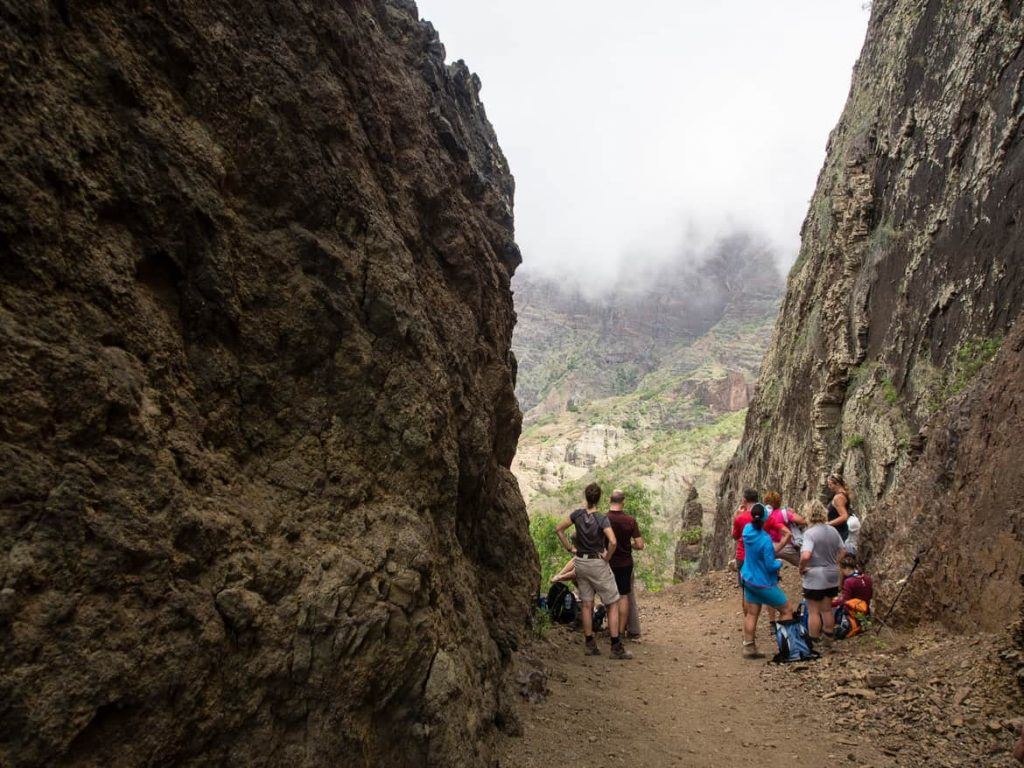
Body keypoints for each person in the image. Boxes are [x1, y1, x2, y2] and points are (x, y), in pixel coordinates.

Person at [555, 483, 632, 659]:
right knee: (612, 602)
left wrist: (570, 549)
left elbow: (558, 529)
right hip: (597, 563)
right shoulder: (601, 518)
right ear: (599, 498)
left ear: (586, 497)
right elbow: (612, 542)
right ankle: (615, 647)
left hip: (580, 562)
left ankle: (589, 643)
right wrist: (607, 557)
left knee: (587, 603)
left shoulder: (577, 515)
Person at [739, 503, 795, 658]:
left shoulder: (747, 531)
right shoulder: (765, 539)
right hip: (763, 582)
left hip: (748, 578)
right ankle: (788, 648)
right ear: (765, 519)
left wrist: (781, 543)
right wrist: (780, 563)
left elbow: (764, 552)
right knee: (786, 609)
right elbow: (770, 564)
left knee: (752, 613)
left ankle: (748, 647)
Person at [799, 499, 846, 645]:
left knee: (813, 610)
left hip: (815, 574)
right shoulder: (832, 530)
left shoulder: (809, 533)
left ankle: (813, 640)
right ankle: (829, 637)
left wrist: (801, 568)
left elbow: (806, 555)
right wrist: (834, 562)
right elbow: (843, 550)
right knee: (827, 609)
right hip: (832, 573)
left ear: (808, 514)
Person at [606, 488, 645, 639]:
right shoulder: (630, 520)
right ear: (623, 502)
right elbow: (640, 544)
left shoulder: (604, 519)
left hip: (607, 562)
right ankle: (621, 631)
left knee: (610, 598)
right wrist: (630, 546)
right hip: (625, 563)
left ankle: (612, 630)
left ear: (610, 500)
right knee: (623, 596)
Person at [826, 474, 853, 543]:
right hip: (839, 530)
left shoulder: (838, 497)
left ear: (837, 484)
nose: (829, 487)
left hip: (839, 531)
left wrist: (828, 524)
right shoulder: (843, 494)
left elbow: (844, 516)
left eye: (830, 484)